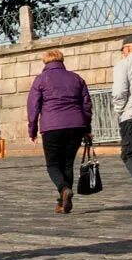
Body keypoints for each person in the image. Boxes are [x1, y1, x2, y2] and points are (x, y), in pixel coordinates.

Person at [27, 48, 92, 214]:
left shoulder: (41, 79)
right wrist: (86, 127)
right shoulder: (76, 78)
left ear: (45, 62)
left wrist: (32, 130)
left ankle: (63, 190)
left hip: (52, 126)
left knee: (53, 165)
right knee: (68, 164)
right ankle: (62, 202)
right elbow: (86, 105)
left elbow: (33, 107)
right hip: (76, 125)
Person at [116, 34, 132, 209]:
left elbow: (119, 92)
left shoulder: (124, 64)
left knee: (130, 155)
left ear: (127, 48)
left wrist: (119, 111)